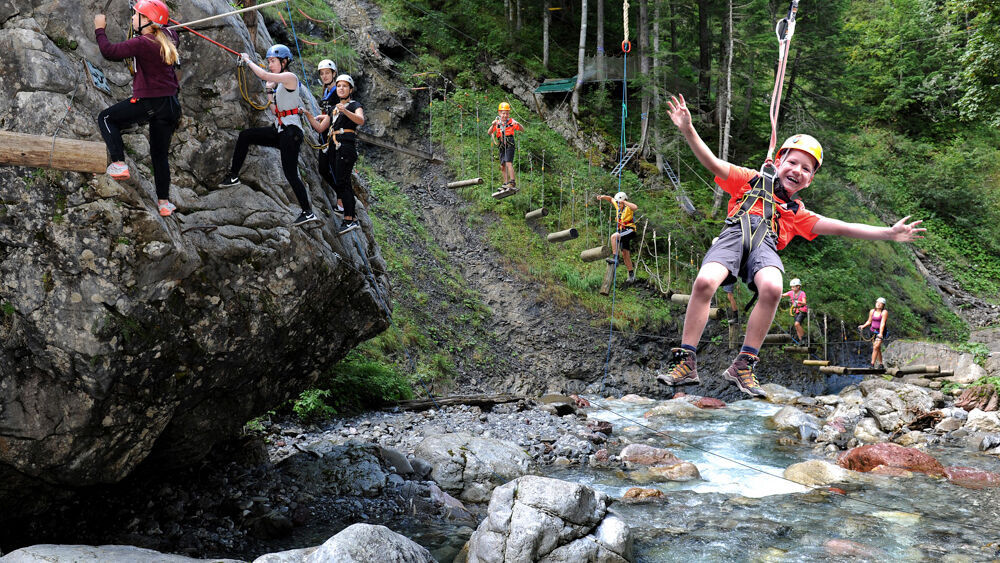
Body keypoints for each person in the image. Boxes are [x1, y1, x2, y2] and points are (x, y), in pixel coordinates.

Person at [656, 94, 925, 398]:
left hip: (765, 246)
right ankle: (686, 359)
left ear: (810, 180)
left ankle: (743, 364)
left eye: (806, 169)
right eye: (793, 162)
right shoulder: (750, 180)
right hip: (734, 236)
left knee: (772, 288)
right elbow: (713, 164)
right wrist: (688, 130)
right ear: (779, 162)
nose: (798, 170)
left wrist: (888, 234)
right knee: (705, 282)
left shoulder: (799, 214)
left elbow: (844, 227)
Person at [95, 0, 182, 217]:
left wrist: (99, 28)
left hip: (150, 102)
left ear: (147, 21)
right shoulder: (170, 38)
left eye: (136, 15)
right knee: (159, 155)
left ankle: (118, 163)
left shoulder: (143, 43)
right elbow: (165, 28)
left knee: (106, 118)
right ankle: (164, 203)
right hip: (171, 105)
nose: (132, 18)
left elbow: (109, 51)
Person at [219, 45, 318, 227]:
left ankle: (308, 211)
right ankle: (233, 175)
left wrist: (248, 61)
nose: (270, 65)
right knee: (246, 136)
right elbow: (274, 110)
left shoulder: (290, 78)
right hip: (280, 131)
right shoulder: (281, 84)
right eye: (269, 61)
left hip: (291, 133)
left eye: (272, 61)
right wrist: (269, 91)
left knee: (290, 174)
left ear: (284, 62)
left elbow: (264, 75)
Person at [304, 74, 364, 235]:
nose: (341, 89)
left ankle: (350, 218)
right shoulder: (333, 109)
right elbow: (320, 128)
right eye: (339, 86)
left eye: (345, 86)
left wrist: (346, 111)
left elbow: (360, 120)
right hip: (335, 146)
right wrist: (308, 115)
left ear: (350, 89)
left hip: (346, 146)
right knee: (332, 175)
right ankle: (346, 211)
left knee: (344, 181)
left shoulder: (354, 105)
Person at [303, 59, 344, 215]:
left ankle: (343, 200)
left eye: (327, 73)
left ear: (334, 74)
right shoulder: (326, 92)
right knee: (323, 169)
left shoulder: (337, 93)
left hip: (333, 136)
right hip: (324, 135)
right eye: (322, 73)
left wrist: (311, 117)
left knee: (333, 169)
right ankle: (342, 196)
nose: (325, 76)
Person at [595, 192, 637, 283]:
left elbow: (635, 207)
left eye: (620, 202)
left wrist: (624, 202)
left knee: (614, 236)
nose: (618, 204)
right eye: (618, 203)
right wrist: (602, 197)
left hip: (629, 230)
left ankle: (615, 258)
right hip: (622, 232)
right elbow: (610, 199)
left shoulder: (628, 207)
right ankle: (631, 275)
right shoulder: (618, 205)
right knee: (625, 254)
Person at [487, 102, 524, 190]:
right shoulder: (497, 122)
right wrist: (493, 125)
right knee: (503, 164)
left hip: (509, 143)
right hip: (501, 144)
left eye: (507, 113)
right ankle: (505, 182)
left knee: (508, 162)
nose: (505, 115)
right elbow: (489, 132)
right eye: (503, 113)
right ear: (499, 113)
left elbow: (522, 129)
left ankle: (512, 182)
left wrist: (518, 124)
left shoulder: (511, 122)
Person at [858, 297, 888, 368]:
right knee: (877, 348)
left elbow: (882, 323)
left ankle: (872, 364)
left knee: (875, 347)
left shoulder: (884, 312)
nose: (878, 304)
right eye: (877, 302)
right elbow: (869, 321)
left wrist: (880, 333)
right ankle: (881, 364)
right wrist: (863, 326)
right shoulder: (872, 311)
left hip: (880, 332)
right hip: (872, 331)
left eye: (880, 303)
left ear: (883, 305)